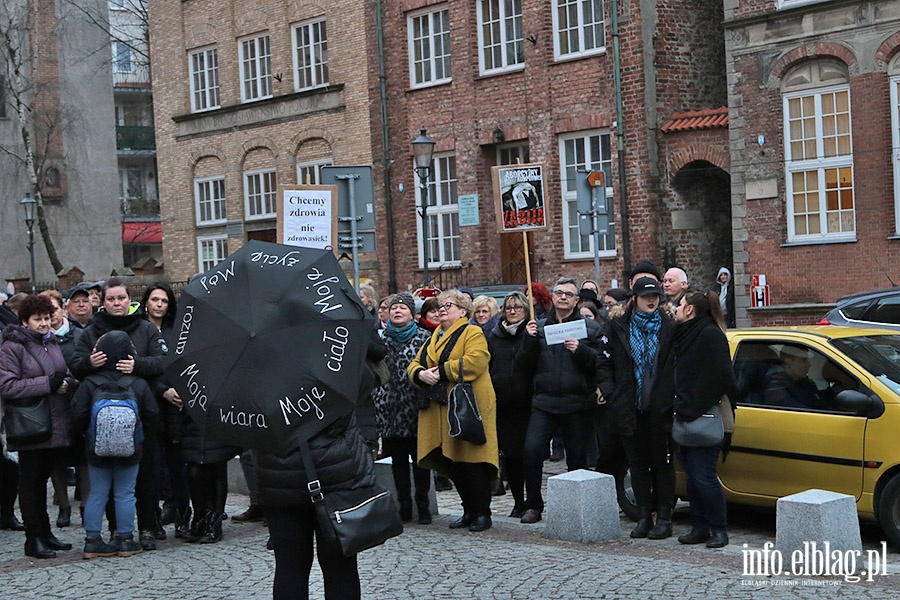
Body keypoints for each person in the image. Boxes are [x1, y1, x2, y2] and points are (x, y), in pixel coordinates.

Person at [71, 277, 167, 550]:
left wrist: (137, 366)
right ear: (102, 301)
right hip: (101, 414)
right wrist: (90, 363)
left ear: (130, 299)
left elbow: (161, 362)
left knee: (146, 476)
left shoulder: (146, 328)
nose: (117, 303)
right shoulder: (91, 330)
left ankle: (147, 528)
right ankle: (117, 532)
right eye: (111, 299)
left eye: (121, 298)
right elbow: (76, 365)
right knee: (112, 485)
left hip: (141, 409)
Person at [408, 289, 499, 532]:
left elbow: (476, 361)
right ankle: (468, 510)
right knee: (453, 460)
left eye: (448, 305)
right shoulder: (434, 335)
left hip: (468, 406)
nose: (442, 310)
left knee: (472, 459)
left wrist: (440, 371)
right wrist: (420, 374)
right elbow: (415, 364)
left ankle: (482, 512)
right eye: (439, 306)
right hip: (440, 407)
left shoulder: (472, 332)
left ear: (463, 311)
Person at [516, 277, 602, 524]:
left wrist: (581, 351)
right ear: (552, 297)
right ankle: (533, 505)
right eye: (559, 293)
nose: (563, 297)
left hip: (576, 402)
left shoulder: (590, 329)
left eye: (569, 294)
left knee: (576, 460)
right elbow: (523, 366)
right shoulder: (539, 328)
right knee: (531, 451)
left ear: (577, 300)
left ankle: (574, 507)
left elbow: (600, 363)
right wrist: (529, 341)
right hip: (544, 402)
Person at [597, 276, 676, 539]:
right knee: (637, 464)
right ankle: (644, 515)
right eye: (646, 297)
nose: (652, 301)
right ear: (635, 299)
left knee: (662, 465)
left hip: (660, 407)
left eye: (655, 297)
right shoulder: (618, 326)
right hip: (629, 406)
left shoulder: (669, 326)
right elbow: (603, 364)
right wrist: (611, 394)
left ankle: (664, 517)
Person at [0, 294, 76, 559]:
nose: (44, 324)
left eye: (47, 318)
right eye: (38, 319)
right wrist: (48, 384)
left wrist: (67, 381)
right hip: (32, 425)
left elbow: (61, 372)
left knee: (43, 480)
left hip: (55, 422)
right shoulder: (13, 347)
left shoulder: (51, 341)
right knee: (31, 485)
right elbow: (7, 386)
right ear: (24, 321)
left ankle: (46, 533)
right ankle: (33, 539)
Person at [672, 289, 737, 549]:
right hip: (684, 411)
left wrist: (696, 402)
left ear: (690, 309)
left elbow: (723, 376)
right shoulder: (684, 333)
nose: (676, 308)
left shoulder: (710, 334)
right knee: (691, 477)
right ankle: (700, 526)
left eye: (680, 304)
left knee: (704, 477)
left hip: (704, 412)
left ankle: (719, 529)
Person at [372, 292, 433, 524]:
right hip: (389, 411)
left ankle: (423, 505)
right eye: (393, 308)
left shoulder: (424, 338)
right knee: (397, 463)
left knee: (421, 462)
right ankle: (404, 506)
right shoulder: (380, 340)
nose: (397, 311)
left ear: (412, 314)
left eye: (403, 308)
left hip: (417, 410)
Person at [140, 283, 192, 538]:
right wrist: (162, 390)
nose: (159, 304)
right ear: (146, 302)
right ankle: (153, 520)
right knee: (153, 467)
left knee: (178, 467)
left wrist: (179, 391)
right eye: (154, 300)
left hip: (177, 407)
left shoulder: (177, 331)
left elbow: (182, 364)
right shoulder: (139, 331)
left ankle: (183, 516)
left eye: (164, 301)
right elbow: (140, 370)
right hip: (151, 405)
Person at [486, 291, 533, 518]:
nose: (512, 312)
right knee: (512, 456)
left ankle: (533, 499)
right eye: (508, 308)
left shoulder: (532, 333)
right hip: (504, 404)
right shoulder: (494, 336)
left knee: (530, 454)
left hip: (529, 403)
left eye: (517, 308)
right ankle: (518, 500)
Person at [39, 289, 84, 529]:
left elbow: (85, 364)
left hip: (77, 400)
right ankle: (64, 507)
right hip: (53, 404)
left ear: (63, 309)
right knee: (56, 458)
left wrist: (72, 382)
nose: (50, 317)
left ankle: (86, 505)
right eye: (45, 313)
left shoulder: (78, 334)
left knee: (82, 457)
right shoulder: (40, 340)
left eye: (53, 310)